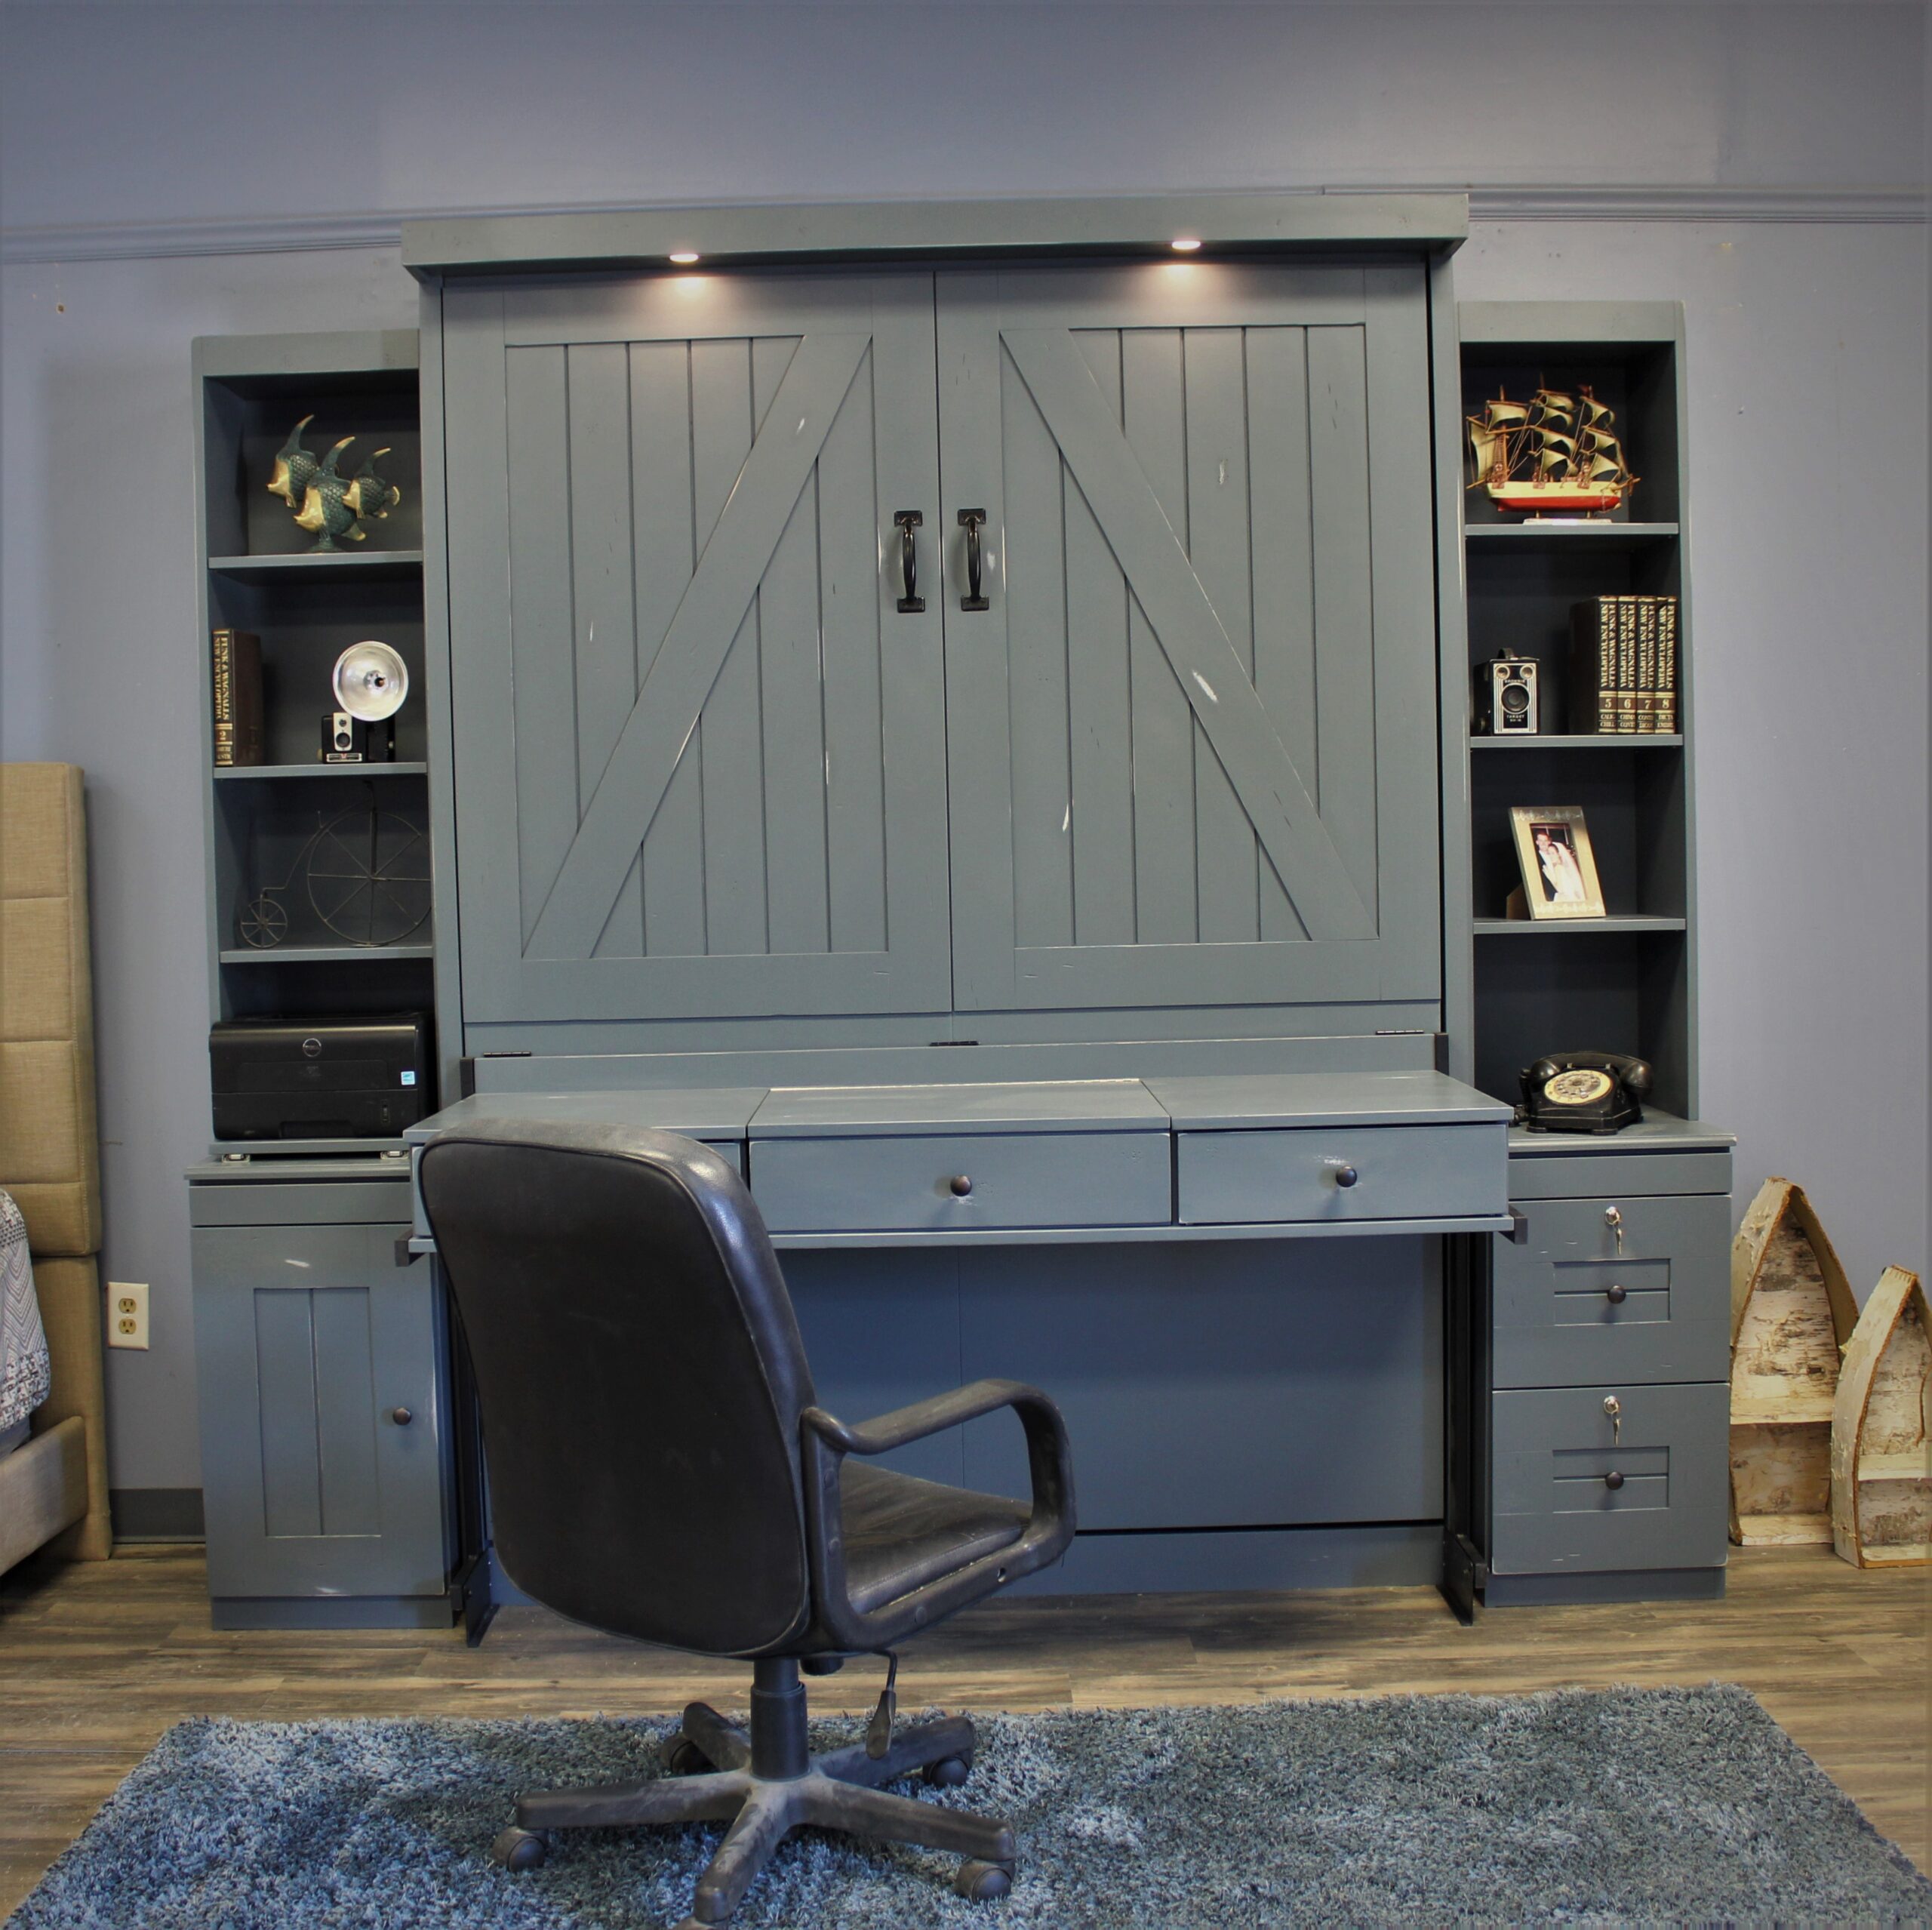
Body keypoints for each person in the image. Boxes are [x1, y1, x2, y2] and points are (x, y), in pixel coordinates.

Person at [1534, 825, 1587, 903]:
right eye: (1541, 841)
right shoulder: (1535, 859)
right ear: (1537, 842)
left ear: (1549, 842)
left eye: (1545, 841)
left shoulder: (1559, 864)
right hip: (1550, 897)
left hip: (1564, 895)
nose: (1543, 843)